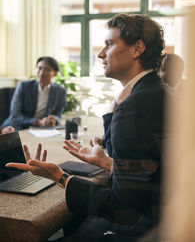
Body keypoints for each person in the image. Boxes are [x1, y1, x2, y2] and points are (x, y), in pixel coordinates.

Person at [7, 14, 174, 242]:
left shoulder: (135, 106)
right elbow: (151, 173)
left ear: (137, 49)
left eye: (110, 44)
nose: (100, 54)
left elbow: (121, 206)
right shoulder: (160, 92)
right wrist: (104, 161)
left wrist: (60, 177)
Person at [2, 56, 66, 130]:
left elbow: (58, 115)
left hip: (41, 129)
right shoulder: (24, 86)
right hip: (16, 127)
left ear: (55, 74)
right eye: (39, 68)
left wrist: (53, 119)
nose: (41, 73)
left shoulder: (60, 91)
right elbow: (15, 117)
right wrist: (38, 122)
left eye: (47, 70)